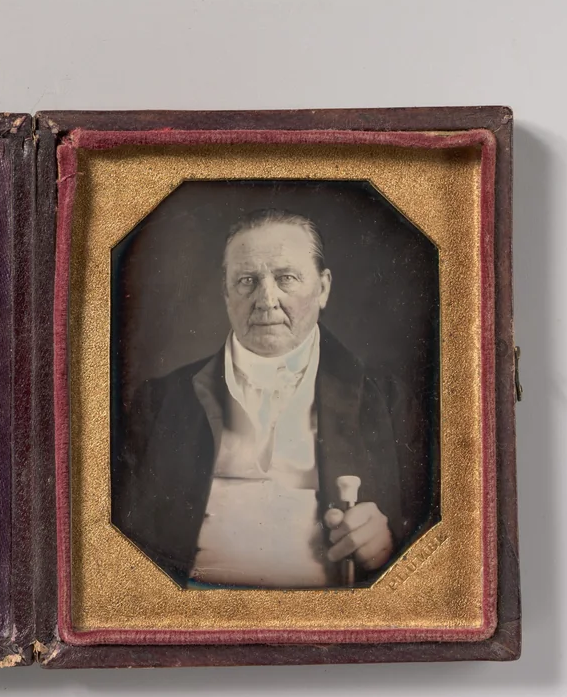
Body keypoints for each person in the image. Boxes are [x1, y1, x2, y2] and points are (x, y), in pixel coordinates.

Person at [112, 209, 434, 588]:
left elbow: (436, 546)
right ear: (225, 291)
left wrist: (391, 546)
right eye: (247, 280)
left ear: (323, 288)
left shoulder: (390, 401)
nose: (266, 299)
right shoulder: (158, 402)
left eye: (286, 278)